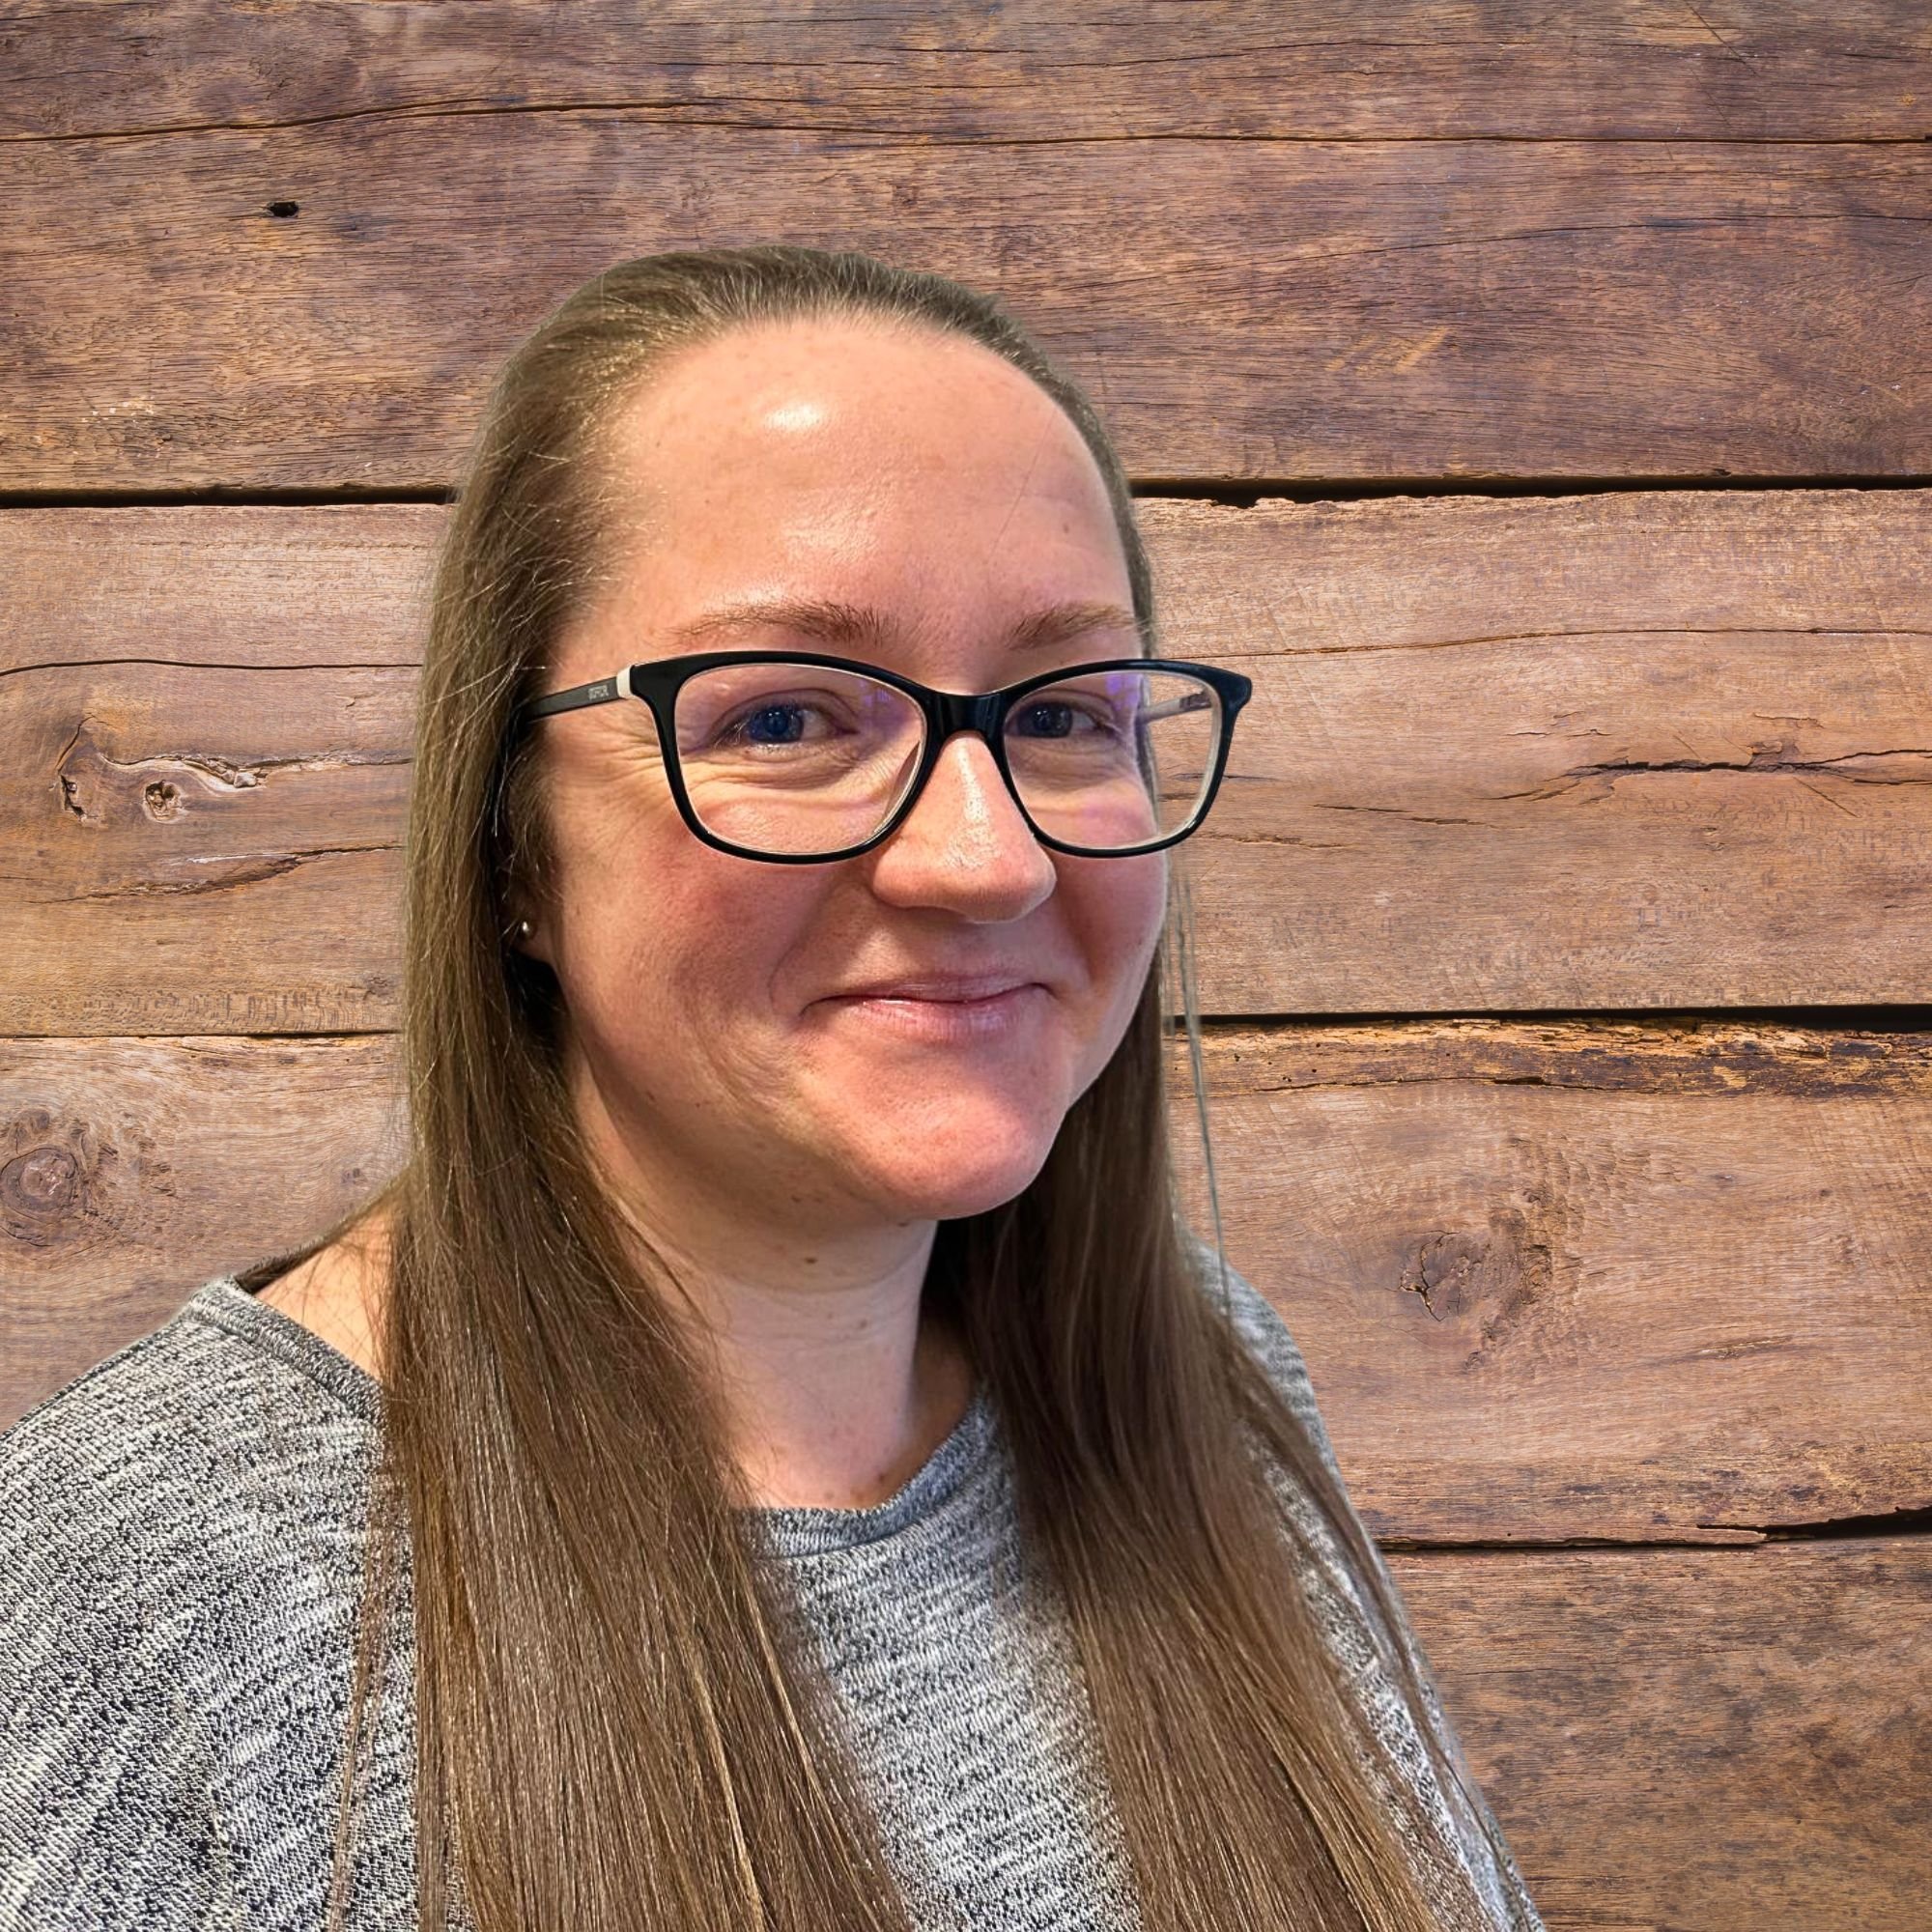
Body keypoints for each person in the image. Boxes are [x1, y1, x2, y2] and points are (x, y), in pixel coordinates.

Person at [0, 245, 1544, 1932]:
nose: (985, 855)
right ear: (512, 841)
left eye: (1069, 715)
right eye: (790, 716)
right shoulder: (145, 1586)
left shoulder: (1210, 1383)